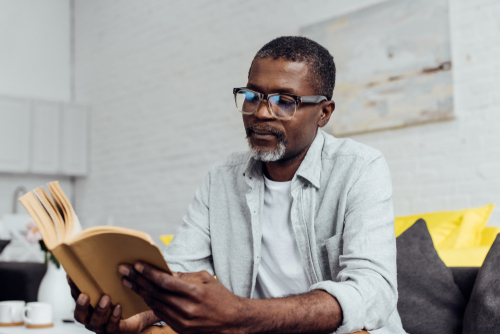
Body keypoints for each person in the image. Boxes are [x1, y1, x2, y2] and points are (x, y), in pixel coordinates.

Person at [68, 36, 406, 334]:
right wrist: (135, 317)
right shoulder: (222, 177)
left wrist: (241, 315)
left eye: (284, 102)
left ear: (324, 113)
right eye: (251, 96)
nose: (260, 113)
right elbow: (180, 271)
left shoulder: (361, 167)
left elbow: (373, 291)